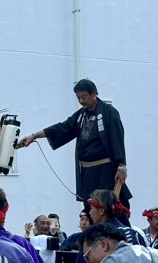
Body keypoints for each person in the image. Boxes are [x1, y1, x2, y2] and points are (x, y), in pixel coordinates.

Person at [17, 78, 131, 212]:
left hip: (104, 171)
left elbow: (117, 139)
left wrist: (121, 166)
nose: (82, 101)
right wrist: (34, 135)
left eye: (84, 97)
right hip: (87, 172)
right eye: (79, 98)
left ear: (94, 93)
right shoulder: (81, 115)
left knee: (107, 207)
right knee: (90, 209)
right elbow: (62, 128)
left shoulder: (109, 112)